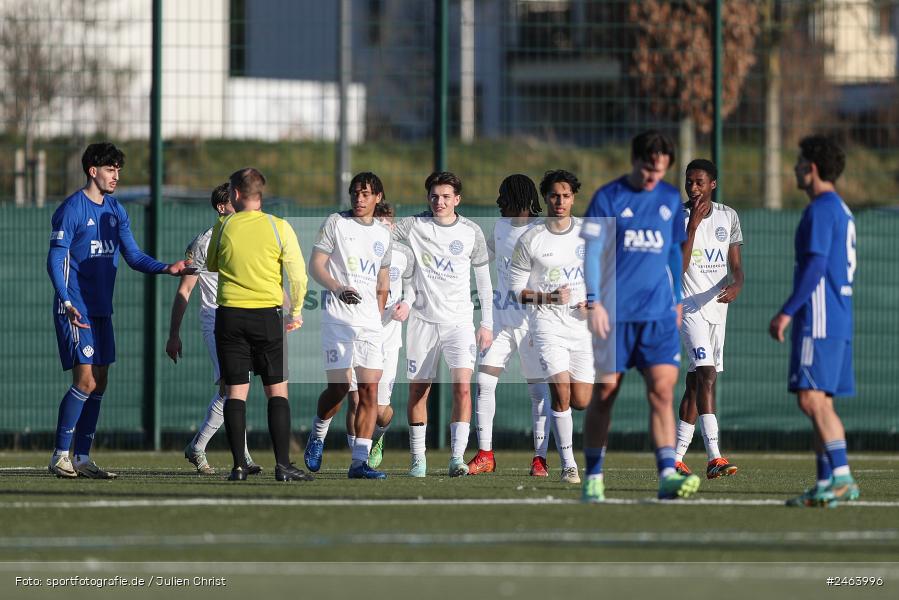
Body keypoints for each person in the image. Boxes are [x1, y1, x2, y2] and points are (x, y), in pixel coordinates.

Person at [47, 142, 193, 478]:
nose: (116, 175)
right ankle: (59, 455)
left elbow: (134, 256)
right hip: (75, 307)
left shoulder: (116, 211)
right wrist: (67, 302)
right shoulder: (72, 209)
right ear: (92, 170)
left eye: (119, 170)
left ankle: (82, 458)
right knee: (84, 381)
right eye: (110, 169)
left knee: (99, 382)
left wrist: (167, 268)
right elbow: (54, 259)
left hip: (101, 310)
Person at [580, 130, 701, 502]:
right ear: (635, 161)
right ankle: (594, 477)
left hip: (658, 316)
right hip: (614, 316)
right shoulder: (609, 197)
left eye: (661, 171)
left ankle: (667, 475)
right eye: (649, 169)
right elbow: (591, 253)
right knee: (605, 392)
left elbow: (671, 253)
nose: (654, 178)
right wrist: (594, 300)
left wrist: (678, 299)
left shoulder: (667, 198)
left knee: (662, 392)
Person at [770, 135, 860, 507]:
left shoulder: (822, 209)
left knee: (811, 400)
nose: (795, 168)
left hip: (819, 319)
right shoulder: (840, 208)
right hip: (838, 318)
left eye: (799, 161)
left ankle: (841, 478)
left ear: (813, 168)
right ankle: (826, 483)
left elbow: (817, 264)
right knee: (820, 401)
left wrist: (787, 310)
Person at [206, 167, 311, 482]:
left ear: (236, 194)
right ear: (259, 194)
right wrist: (297, 311)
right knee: (276, 391)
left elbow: (212, 263)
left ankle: (238, 466)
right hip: (268, 316)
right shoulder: (279, 227)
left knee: (236, 392)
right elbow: (298, 276)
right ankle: (283, 466)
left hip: (230, 316)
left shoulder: (223, 226)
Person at [392, 171, 494, 477]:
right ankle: (418, 460)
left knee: (463, 388)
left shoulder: (471, 232)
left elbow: (485, 282)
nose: (440, 202)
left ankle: (456, 458)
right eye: (435, 196)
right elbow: (378, 234)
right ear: (428, 198)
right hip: (422, 321)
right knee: (418, 392)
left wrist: (486, 322)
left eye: (446, 197)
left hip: (459, 323)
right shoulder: (412, 226)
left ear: (457, 200)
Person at [302, 172, 393, 479]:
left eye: (366, 194)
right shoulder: (336, 223)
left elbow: (383, 278)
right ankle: (318, 434)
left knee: (370, 392)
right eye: (355, 193)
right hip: (338, 320)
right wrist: (338, 287)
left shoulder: (383, 233)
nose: (359, 198)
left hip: (369, 325)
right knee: (340, 389)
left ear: (377, 197)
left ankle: (359, 462)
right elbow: (316, 264)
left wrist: (377, 314)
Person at [166, 183, 261, 475]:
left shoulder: (249, 237)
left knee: (234, 388)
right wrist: (174, 334)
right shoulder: (205, 242)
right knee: (234, 386)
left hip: (243, 317)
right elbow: (185, 289)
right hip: (216, 321)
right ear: (222, 207)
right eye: (236, 200)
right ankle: (235, 454)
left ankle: (201, 447)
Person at [509, 170, 592, 484]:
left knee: (581, 400)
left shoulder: (588, 232)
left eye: (566, 195)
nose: (560, 201)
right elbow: (517, 292)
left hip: (580, 326)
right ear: (545, 198)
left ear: (573, 198)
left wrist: (594, 303)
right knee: (561, 392)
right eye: (554, 195)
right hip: (546, 325)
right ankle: (568, 464)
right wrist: (549, 297)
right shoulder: (530, 239)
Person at [467, 174, 553, 477]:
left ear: (517, 196)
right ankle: (485, 454)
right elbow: (483, 255)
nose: (498, 200)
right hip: (502, 323)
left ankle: (540, 458)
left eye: (503, 194)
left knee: (538, 392)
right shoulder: (500, 226)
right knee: (484, 383)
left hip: (534, 324)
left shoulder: (542, 230)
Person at [674, 159, 744, 479]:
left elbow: (735, 263)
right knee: (707, 374)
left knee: (694, 384)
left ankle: (675, 457)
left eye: (699, 182)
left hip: (718, 308)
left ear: (712, 184)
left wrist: (738, 283)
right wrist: (693, 225)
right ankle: (714, 456)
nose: (693, 187)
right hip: (688, 307)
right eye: (689, 182)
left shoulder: (728, 216)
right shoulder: (680, 216)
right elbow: (680, 264)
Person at [344, 201, 415, 469]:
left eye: (385, 224)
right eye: (376, 223)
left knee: (382, 411)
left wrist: (406, 305)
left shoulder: (404, 255)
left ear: (392, 226)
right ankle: (357, 460)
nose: (380, 229)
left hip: (388, 339)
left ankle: (378, 438)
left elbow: (413, 289)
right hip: (358, 333)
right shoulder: (358, 253)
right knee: (356, 399)